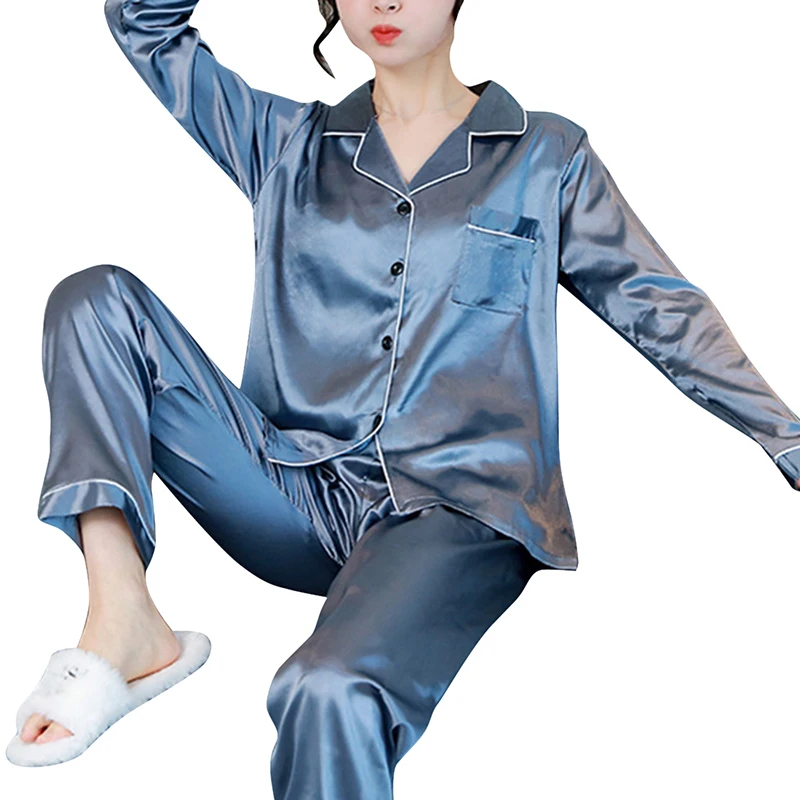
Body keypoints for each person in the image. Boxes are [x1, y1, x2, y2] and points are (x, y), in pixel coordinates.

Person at [7, 0, 800, 793]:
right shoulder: (286, 143)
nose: (383, 1)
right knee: (94, 300)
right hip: (294, 488)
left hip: (458, 507)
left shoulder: (546, 155)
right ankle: (123, 618)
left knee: (328, 688)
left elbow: (660, 308)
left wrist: (786, 436)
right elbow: (144, 26)